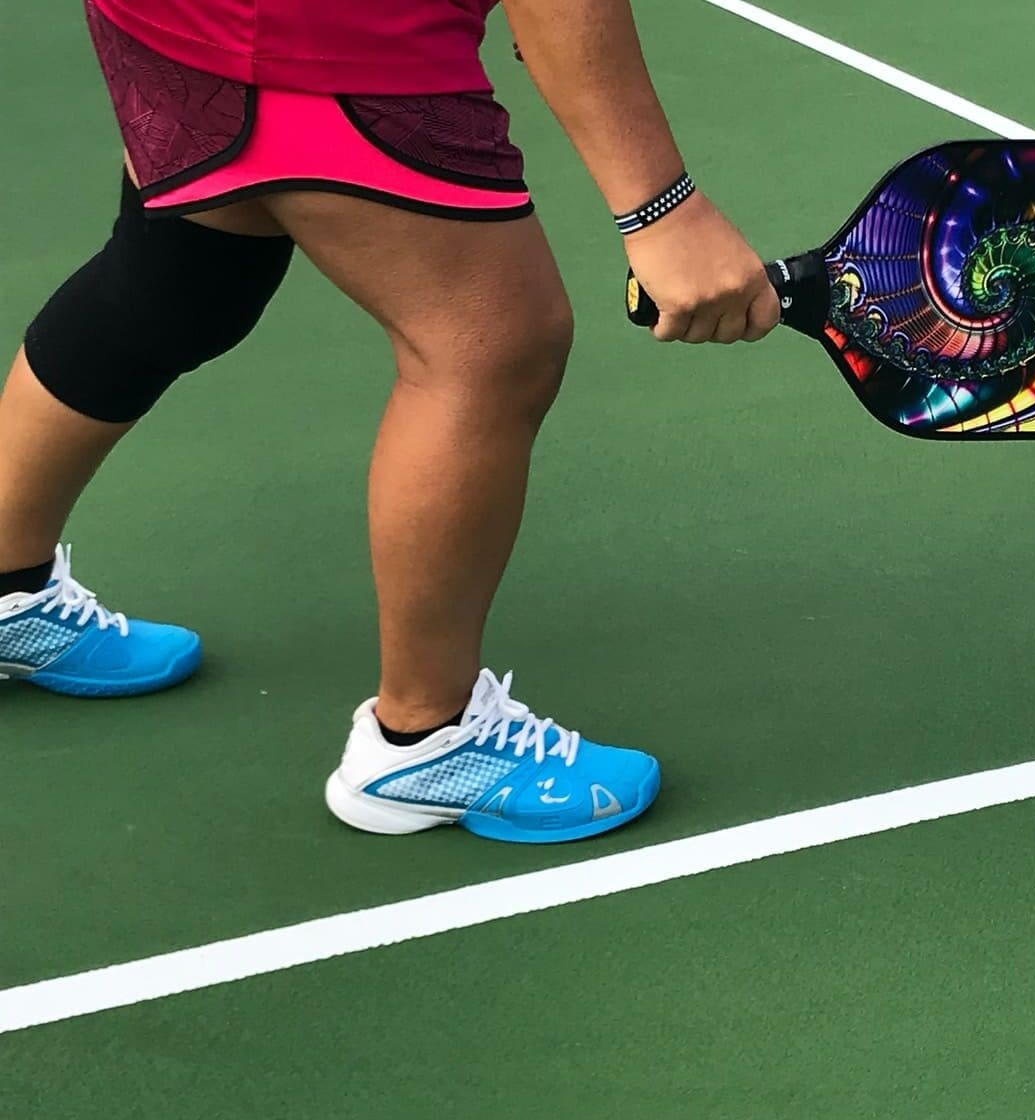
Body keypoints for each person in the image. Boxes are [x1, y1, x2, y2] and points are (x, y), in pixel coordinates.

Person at [0, 0, 780, 843]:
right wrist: (661, 208)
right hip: (337, 35)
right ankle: (424, 740)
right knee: (491, 348)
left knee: (182, 273)